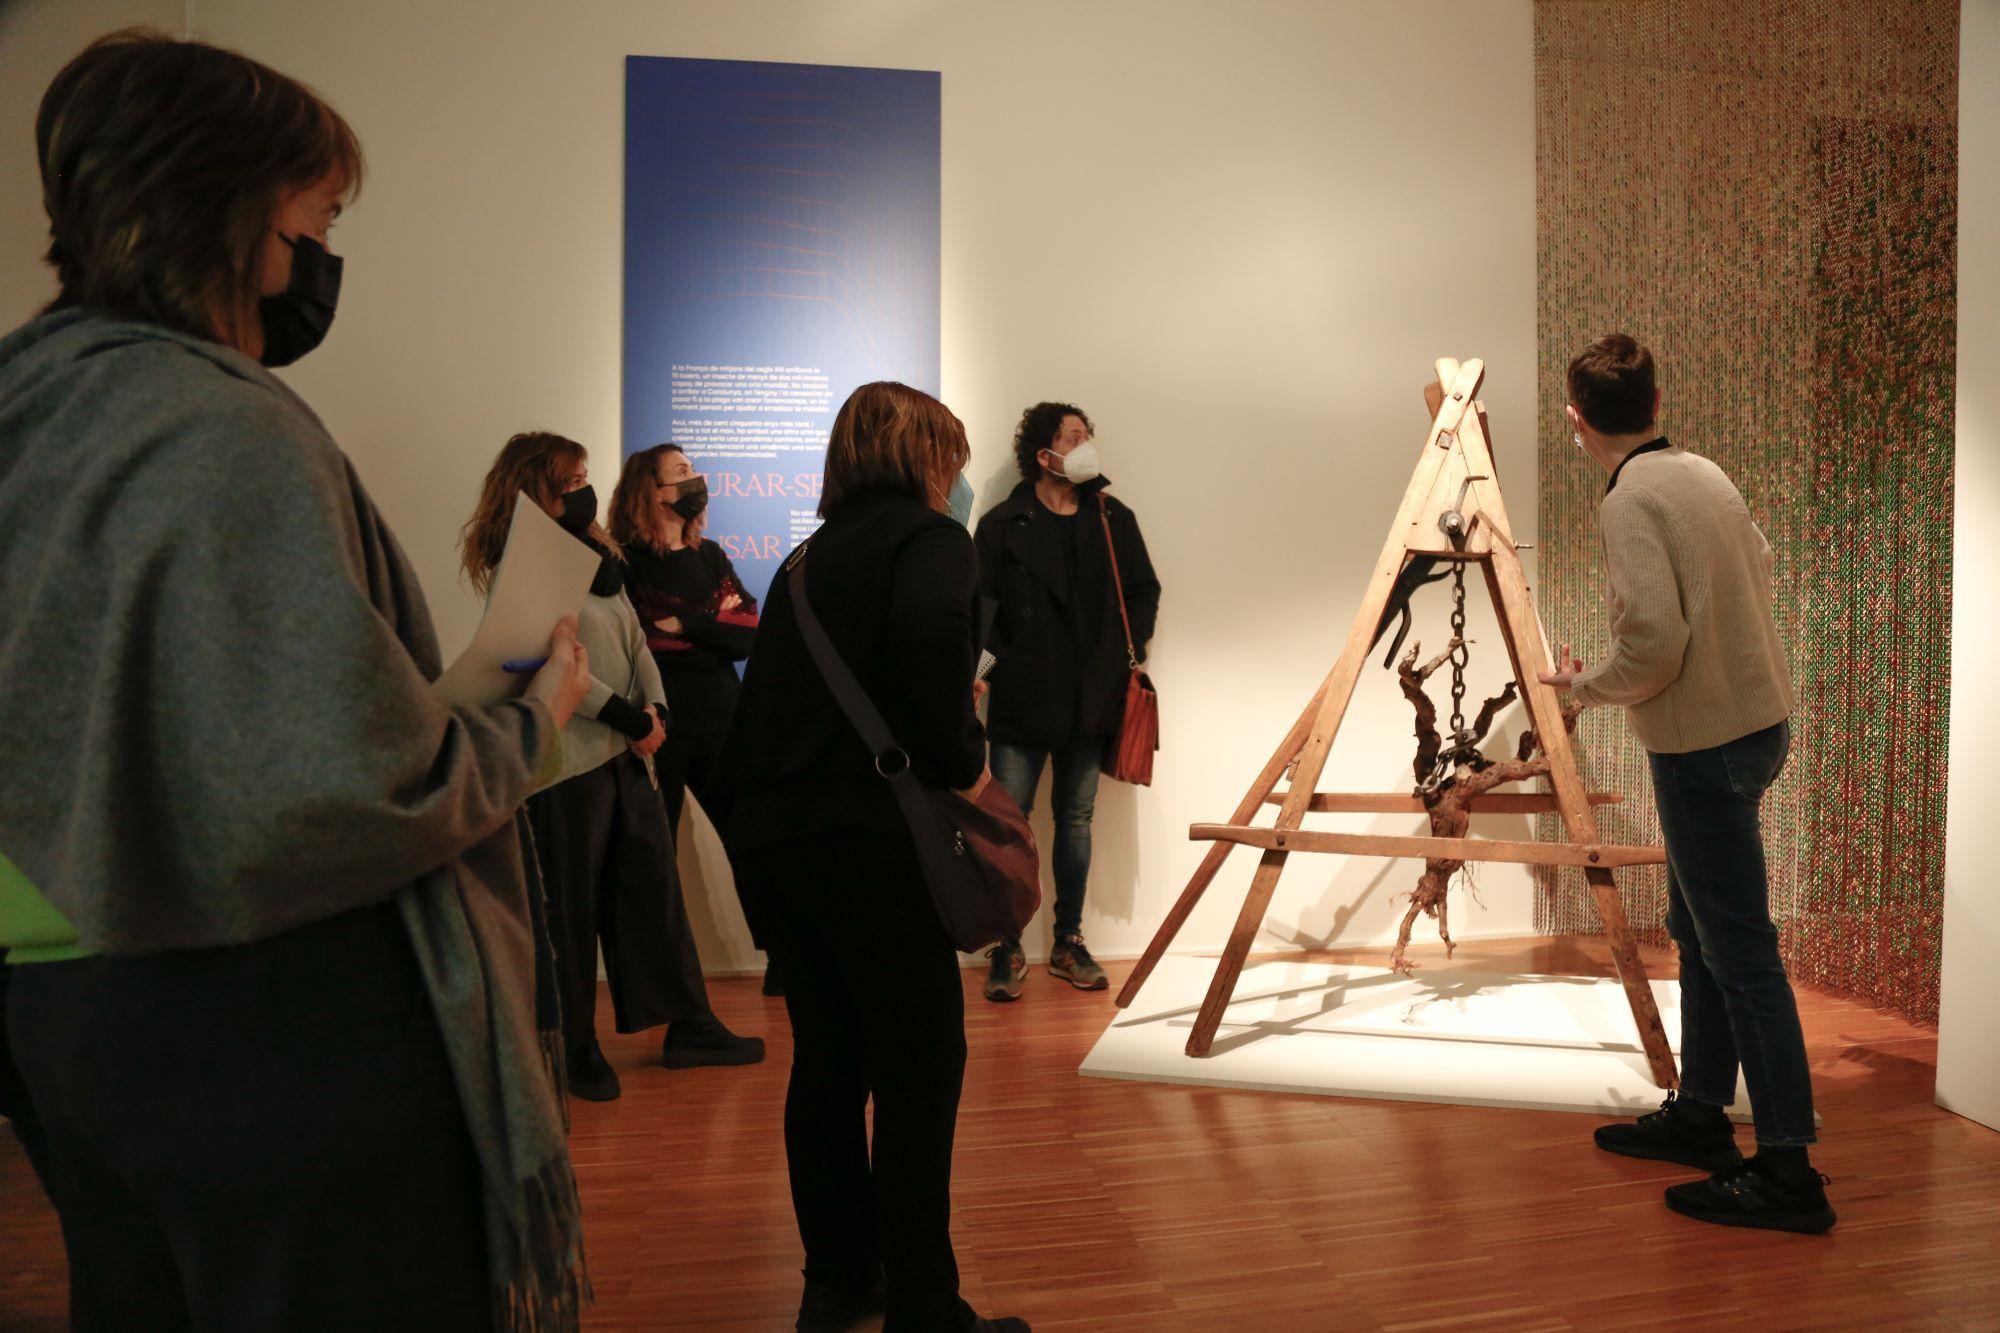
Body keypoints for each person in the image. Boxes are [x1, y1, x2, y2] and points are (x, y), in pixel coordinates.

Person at [0, 30, 592, 1330]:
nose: (322, 256)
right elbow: (329, 797)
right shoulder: (224, 426)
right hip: (278, 1040)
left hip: (73, 1010)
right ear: (240, 207)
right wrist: (529, 721)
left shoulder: (32, 405)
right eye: (320, 214)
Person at [714, 382, 1029, 1333]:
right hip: (873, 850)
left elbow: (764, 706)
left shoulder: (805, 561)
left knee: (827, 1065)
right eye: (953, 455)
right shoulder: (930, 541)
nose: (960, 477)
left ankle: (840, 1279)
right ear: (926, 454)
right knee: (920, 1069)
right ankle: (927, 1310)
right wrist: (964, 765)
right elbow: (935, 648)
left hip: (781, 847)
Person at [1538, 334, 1833, 1234]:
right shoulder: (1703, 472)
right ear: (1657, 402)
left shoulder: (1629, 498)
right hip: (1757, 722)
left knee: (1739, 949)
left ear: (1575, 419)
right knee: (1697, 926)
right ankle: (1703, 1111)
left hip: (1704, 743)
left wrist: (1583, 686)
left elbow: (1655, 648)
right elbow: (1760, 566)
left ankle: (1787, 1172)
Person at [463, 433, 763, 1102]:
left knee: (651, 888)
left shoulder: (599, 558)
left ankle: (689, 1025)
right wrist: (629, 718)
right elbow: (552, 656)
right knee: (571, 907)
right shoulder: (526, 564)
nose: (583, 491)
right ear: (536, 489)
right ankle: (573, 1045)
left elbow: (633, 632)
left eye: (584, 477)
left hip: (623, 754)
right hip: (566, 761)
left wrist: (652, 703)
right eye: (570, 481)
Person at [973, 401, 1160, 1002]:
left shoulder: (1111, 517)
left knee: (1076, 821)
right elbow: (981, 614)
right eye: (1072, 437)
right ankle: (1007, 945)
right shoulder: (1003, 524)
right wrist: (992, 668)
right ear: (1042, 453)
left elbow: (1143, 591)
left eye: (1087, 436)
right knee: (1010, 824)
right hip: (1023, 700)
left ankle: (1067, 941)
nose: (1084, 446)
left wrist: (1123, 653)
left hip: (1092, 698)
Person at [608, 444, 778, 994]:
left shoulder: (711, 556)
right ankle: (669, 983)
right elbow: (643, 639)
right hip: (660, 729)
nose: (695, 480)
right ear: (652, 491)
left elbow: (748, 629)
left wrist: (688, 623)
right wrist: (709, 623)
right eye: (681, 474)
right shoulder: (627, 563)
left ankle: (783, 958)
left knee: (751, 842)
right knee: (657, 855)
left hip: (724, 722)